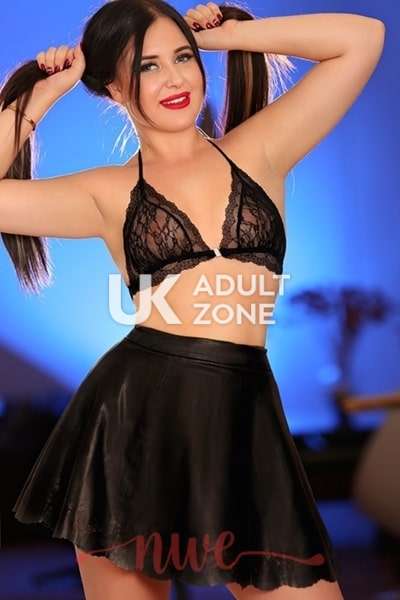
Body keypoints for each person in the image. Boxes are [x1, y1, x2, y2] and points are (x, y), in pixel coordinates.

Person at [0, 1, 385, 598]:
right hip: (133, 420)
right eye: (147, 66)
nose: (175, 78)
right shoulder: (106, 193)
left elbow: (362, 38)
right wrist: (41, 97)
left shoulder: (261, 149)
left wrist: (229, 35)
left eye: (182, 56)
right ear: (113, 88)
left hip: (245, 413)